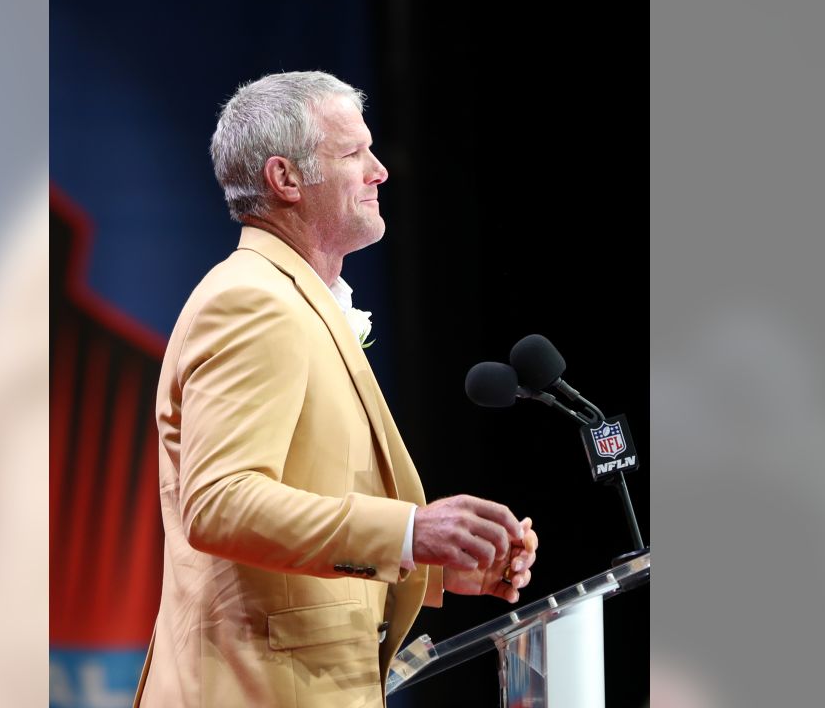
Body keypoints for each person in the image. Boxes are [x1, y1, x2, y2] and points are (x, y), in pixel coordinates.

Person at [133, 71, 539, 708]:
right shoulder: (252, 300)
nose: (379, 171)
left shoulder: (296, 299)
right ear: (286, 179)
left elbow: (303, 508)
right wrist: (407, 529)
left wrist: (429, 561)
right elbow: (220, 502)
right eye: (353, 154)